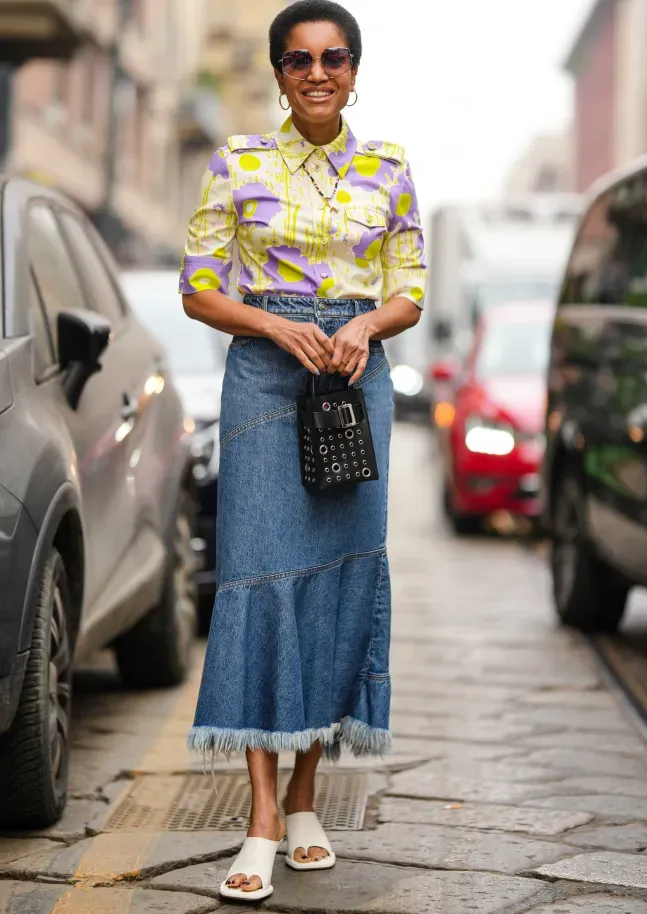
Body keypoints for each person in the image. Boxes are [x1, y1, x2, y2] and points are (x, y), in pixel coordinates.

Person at [179, 0, 427, 902]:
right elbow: (199, 288)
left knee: (335, 577)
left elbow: (411, 287)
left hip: (354, 382)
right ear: (280, 74)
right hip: (264, 378)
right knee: (258, 579)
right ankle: (258, 818)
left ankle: (308, 800)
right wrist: (278, 330)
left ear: (355, 69)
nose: (317, 72)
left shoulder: (389, 165)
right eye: (298, 59)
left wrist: (363, 321)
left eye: (334, 57)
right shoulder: (235, 162)